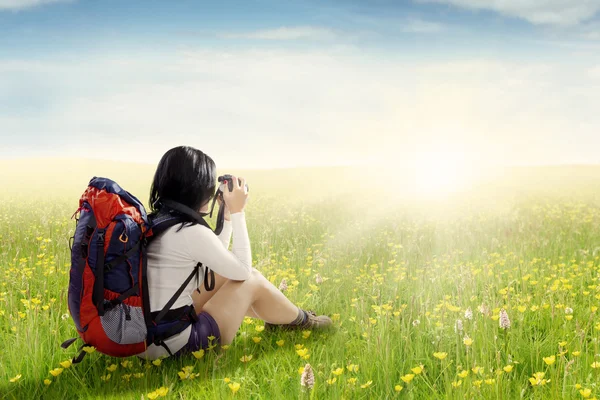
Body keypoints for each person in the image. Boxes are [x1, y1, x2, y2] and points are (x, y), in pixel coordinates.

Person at [136, 146, 332, 360]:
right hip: (178, 348)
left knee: (225, 273)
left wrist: (226, 216)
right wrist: (238, 212)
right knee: (253, 279)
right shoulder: (190, 232)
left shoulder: (156, 222)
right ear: (198, 189)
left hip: (146, 341)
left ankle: (283, 320)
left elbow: (216, 261)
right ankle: (302, 321)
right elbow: (243, 271)